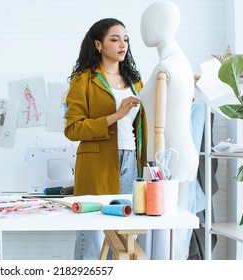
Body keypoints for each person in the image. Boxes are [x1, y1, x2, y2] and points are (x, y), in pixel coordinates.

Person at [64, 18, 148, 260]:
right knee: (90, 230)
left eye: (126, 39)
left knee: (125, 232)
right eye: (114, 39)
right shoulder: (84, 80)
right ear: (98, 44)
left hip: (131, 161)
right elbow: (73, 129)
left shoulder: (136, 81)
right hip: (96, 164)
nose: (122, 44)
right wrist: (115, 115)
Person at [137, 1, 199, 260]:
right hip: (171, 155)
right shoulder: (179, 61)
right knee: (172, 233)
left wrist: (157, 161)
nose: (142, 30)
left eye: (146, 21)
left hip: (167, 158)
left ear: (158, 24)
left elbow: (160, 126)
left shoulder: (165, 68)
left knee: (169, 236)